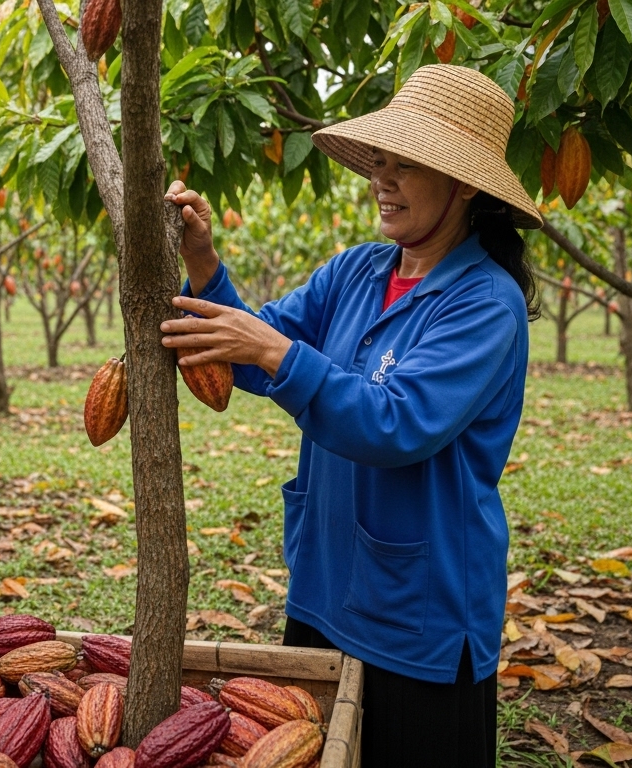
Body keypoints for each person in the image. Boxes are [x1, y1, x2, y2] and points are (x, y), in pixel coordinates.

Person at [160, 65, 542, 767]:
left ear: (463, 185)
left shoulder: (486, 302)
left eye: (408, 167)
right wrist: (203, 261)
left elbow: (396, 424)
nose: (383, 180)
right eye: (381, 162)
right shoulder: (358, 271)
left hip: (417, 611)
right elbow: (250, 354)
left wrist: (275, 352)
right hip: (327, 583)